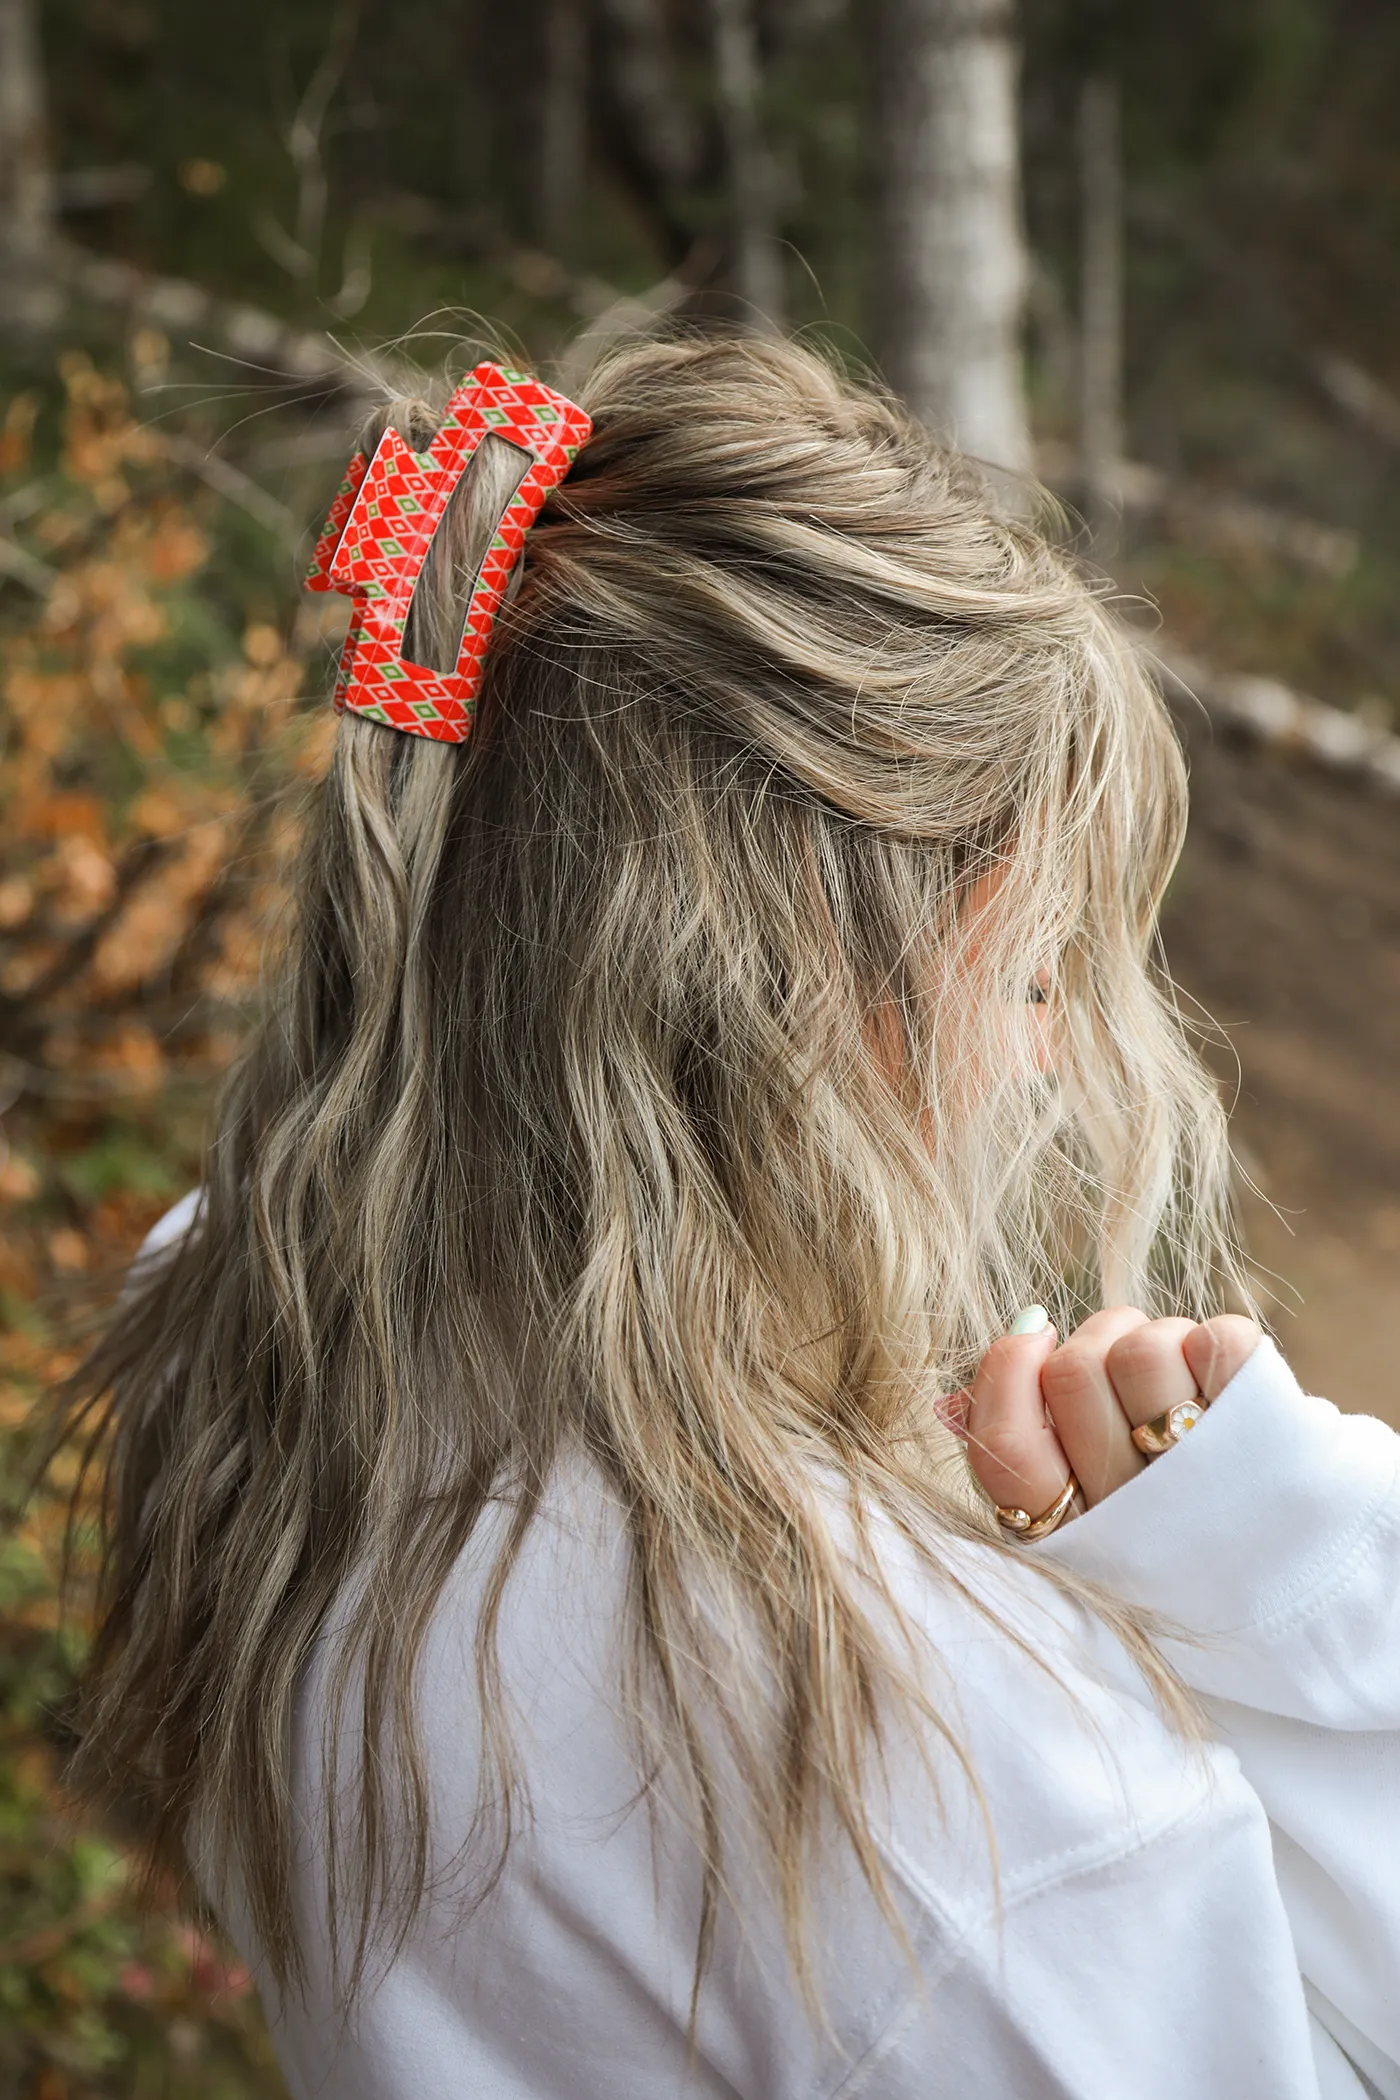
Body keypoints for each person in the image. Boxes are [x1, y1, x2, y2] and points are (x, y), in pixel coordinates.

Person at [60, 336, 1400, 2099]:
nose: (1055, 1061)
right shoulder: (919, 1762)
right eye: (1040, 973)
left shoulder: (258, 1328)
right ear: (786, 999)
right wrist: (1296, 1589)